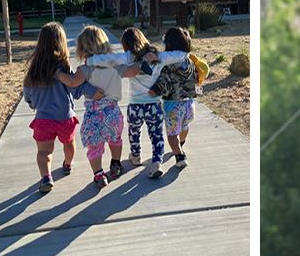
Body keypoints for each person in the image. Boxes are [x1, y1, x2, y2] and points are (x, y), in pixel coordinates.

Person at [86, 27, 186, 179]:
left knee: (134, 133)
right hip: (154, 105)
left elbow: (109, 59)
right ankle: (157, 163)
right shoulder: (159, 56)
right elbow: (182, 55)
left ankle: (136, 156)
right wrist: (158, 55)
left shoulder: (129, 57)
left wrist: (90, 60)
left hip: (135, 106)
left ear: (126, 44)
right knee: (156, 136)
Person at [23, 22, 104, 193]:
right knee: (69, 143)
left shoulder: (34, 70)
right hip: (65, 118)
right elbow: (76, 87)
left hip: (43, 119)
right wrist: (94, 91)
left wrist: (31, 102)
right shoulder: (63, 68)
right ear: (62, 43)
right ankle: (67, 164)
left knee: (44, 152)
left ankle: (46, 177)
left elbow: (28, 90)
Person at [56, 26, 139, 189]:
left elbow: (72, 82)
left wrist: (58, 74)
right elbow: (132, 72)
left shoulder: (85, 69)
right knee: (115, 140)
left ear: (82, 49)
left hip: (94, 115)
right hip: (113, 113)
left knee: (95, 146)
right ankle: (115, 165)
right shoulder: (116, 66)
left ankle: (99, 174)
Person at [148, 27, 198, 171]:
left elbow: (164, 81)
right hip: (189, 103)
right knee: (185, 126)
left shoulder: (167, 65)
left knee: (171, 134)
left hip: (173, 105)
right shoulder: (190, 62)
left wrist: (154, 91)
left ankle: (180, 157)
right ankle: (181, 144)